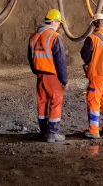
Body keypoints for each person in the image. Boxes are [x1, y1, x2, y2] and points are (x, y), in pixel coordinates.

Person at [28, 9, 68, 142]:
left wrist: (37, 71)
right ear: (53, 22)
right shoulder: (54, 37)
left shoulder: (34, 36)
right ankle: (52, 134)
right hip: (52, 76)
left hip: (40, 75)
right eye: (58, 23)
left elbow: (30, 57)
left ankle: (43, 132)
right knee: (56, 102)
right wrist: (64, 79)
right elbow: (60, 60)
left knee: (42, 103)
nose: (59, 26)